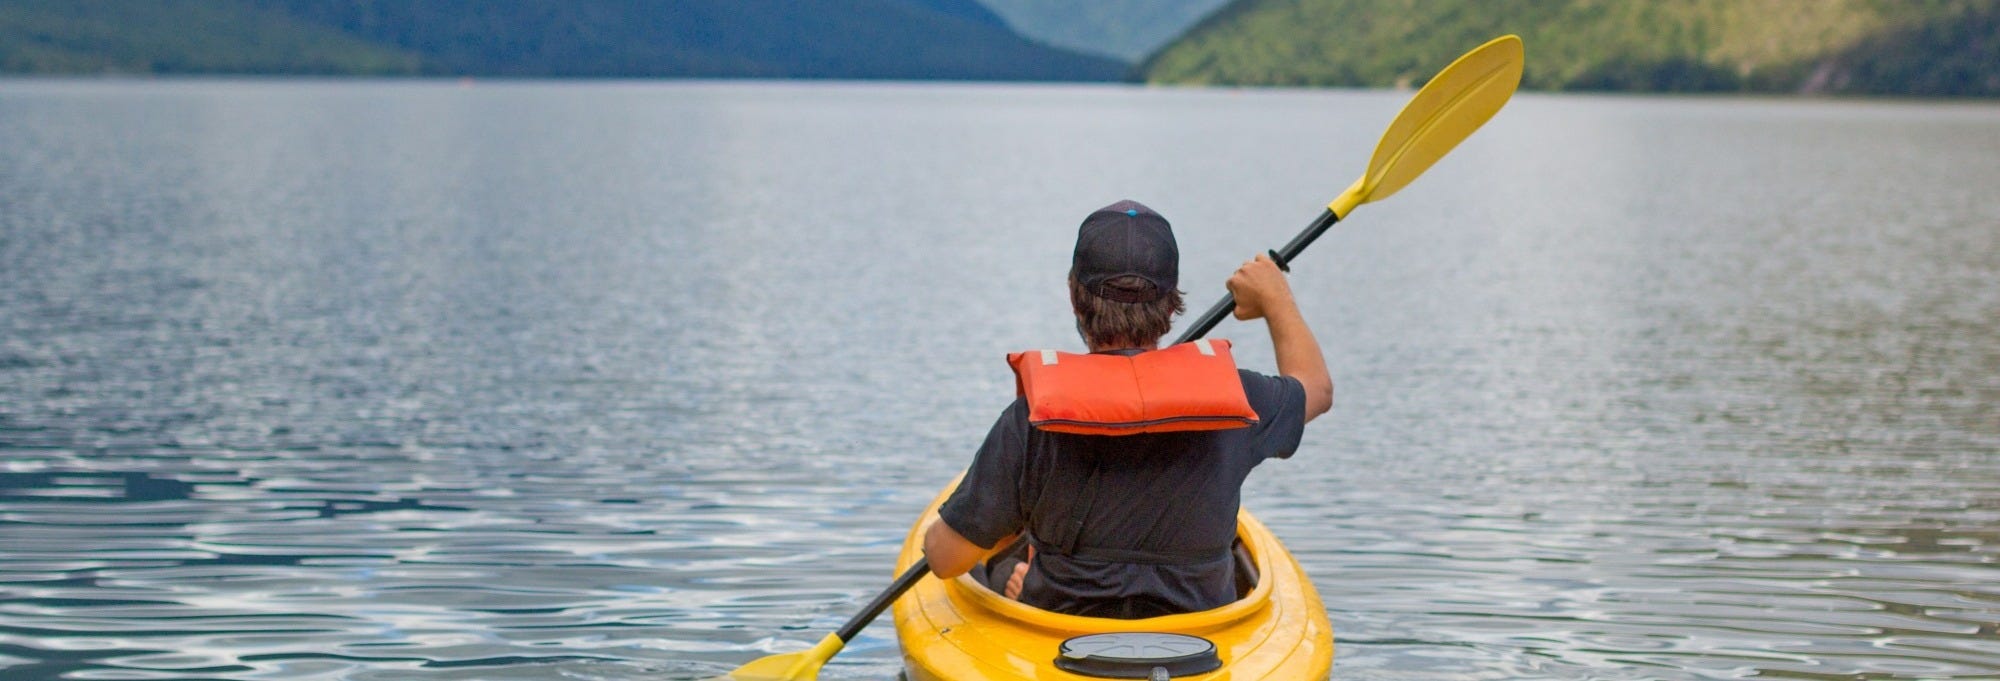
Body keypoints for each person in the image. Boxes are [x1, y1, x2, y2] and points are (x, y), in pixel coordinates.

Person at [922, 199, 1333, 619]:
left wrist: (1012, 522)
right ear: (1172, 303)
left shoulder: (1032, 420)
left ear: (1073, 295)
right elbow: (1315, 389)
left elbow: (944, 558)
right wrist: (1276, 296)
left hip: (1063, 641)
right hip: (1199, 643)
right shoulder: (1240, 398)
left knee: (992, 563)